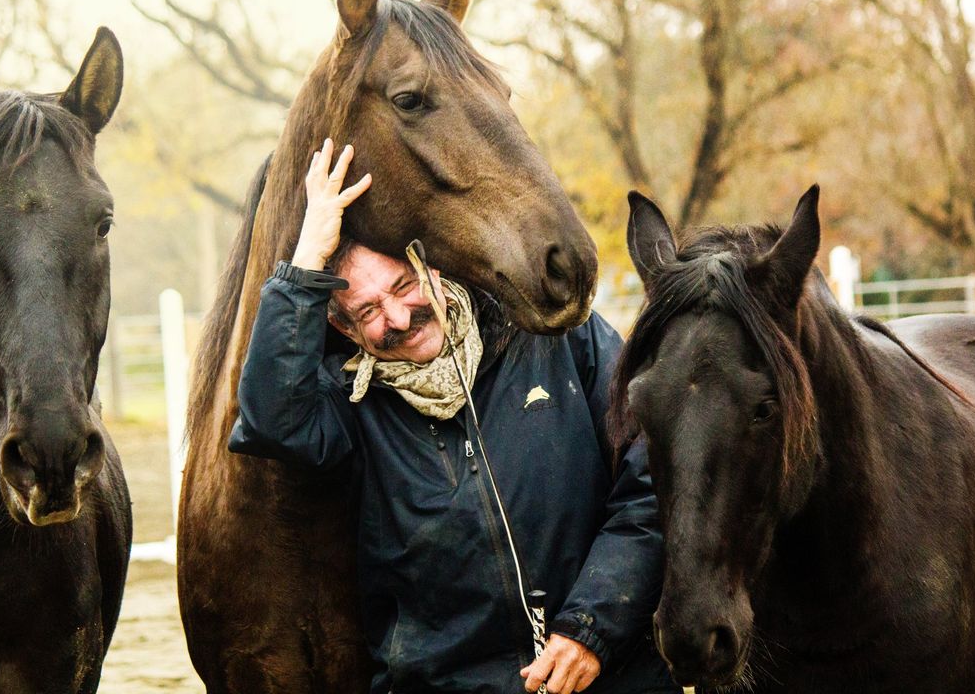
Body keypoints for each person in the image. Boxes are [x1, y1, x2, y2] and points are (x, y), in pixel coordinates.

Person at [230, 138, 678, 694]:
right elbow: (271, 420)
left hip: (611, 674)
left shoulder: (555, 336)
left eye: (403, 285)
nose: (398, 316)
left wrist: (591, 627)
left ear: (434, 267)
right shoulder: (348, 403)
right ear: (344, 329)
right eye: (368, 310)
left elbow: (651, 483)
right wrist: (304, 265)